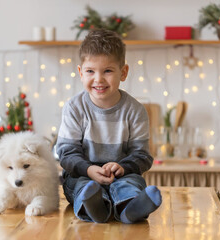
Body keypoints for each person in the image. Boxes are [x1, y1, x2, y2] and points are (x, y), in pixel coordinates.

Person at [56, 29, 162, 223]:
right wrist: (89, 170)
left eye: (107, 71)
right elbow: (66, 153)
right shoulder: (74, 108)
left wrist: (122, 167)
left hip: (120, 176)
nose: (98, 79)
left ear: (123, 73)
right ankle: (95, 206)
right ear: (80, 72)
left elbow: (142, 156)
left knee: (132, 182)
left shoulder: (135, 110)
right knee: (81, 185)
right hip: (83, 176)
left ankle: (131, 209)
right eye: (90, 71)